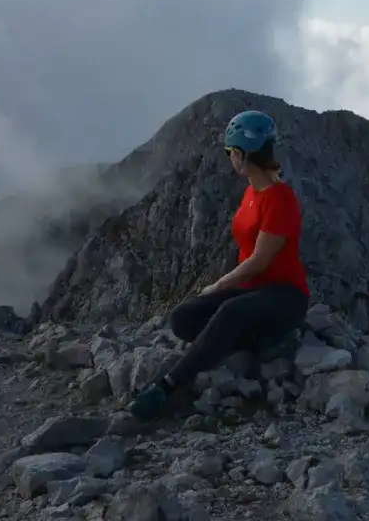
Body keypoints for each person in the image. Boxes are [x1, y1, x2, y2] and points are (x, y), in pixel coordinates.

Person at [127, 109, 311, 422]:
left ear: (241, 153)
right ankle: (263, 341)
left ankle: (167, 387)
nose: (229, 159)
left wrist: (218, 285)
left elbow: (260, 261)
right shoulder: (252, 192)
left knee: (229, 312)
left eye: (230, 152)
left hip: (285, 294)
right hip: (253, 292)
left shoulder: (281, 199)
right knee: (183, 318)